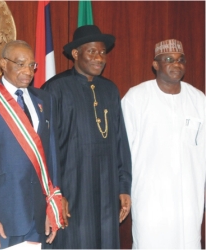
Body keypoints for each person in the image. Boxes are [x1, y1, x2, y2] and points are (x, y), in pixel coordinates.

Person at [0, 40, 65, 249]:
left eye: (31, 65)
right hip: (2, 216)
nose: (27, 71)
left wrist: (52, 205)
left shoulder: (44, 99)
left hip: (38, 215)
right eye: (20, 64)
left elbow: (51, 157)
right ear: (3, 63)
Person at [41, 25, 132, 248]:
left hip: (107, 190)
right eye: (92, 51)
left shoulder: (110, 90)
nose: (99, 58)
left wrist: (123, 187)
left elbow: (121, 142)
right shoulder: (55, 89)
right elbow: (45, 147)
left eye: (102, 52)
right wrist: (56, 193)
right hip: (72, 190)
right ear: (75, 54)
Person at [121, 39, 206, 248]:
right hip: (151, 200)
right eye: (169, 59)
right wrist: (123, 190)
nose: (176, 64)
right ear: (155, 65)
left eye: (180, 60)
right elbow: (121, 150)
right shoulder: (137, 98)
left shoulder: (198, 100)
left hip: (190, 200)